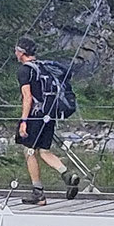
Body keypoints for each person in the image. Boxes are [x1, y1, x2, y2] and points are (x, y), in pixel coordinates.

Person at [13, 38, 81, 205]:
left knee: (29, 151)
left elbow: (27, 97)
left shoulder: (24, 71)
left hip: (35, 115)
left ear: (21, 52)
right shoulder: (43, 67)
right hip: (50, 114)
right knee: (43, 150)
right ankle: (66, 174)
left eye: (16, 51)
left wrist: (23, 121)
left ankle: (38, 194)